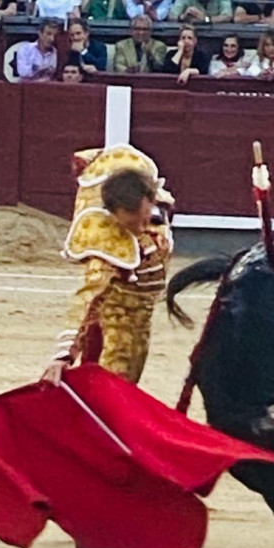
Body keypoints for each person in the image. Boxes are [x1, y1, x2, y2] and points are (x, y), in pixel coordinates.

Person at [41, 145, 175, 390]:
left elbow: (161, 209)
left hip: (142, 304)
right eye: (130, 224)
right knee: (116, 385)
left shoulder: (153, 196)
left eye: (143, 218)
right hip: (121, 308)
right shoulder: (106, 240)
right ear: (114, 215)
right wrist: (63, 355)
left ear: (149, 198)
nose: (139, 228)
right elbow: (88, 296)